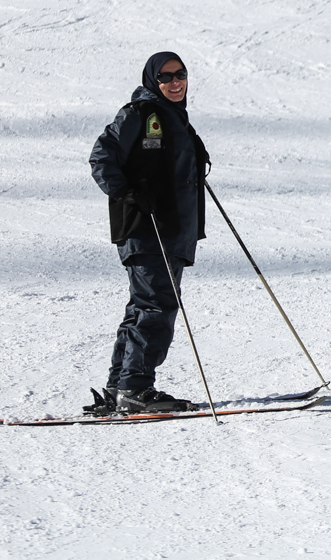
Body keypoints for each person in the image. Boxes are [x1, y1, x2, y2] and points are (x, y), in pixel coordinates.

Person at [88, 52, 211, 415]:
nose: (175, 82)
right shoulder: (139, 114)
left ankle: (120, 384)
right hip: (147, 229)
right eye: (166, 77)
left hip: (172, 231)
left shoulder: (176, 119)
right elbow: (101, 157)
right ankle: (135, 388)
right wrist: (126, 193)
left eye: (181, 74)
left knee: (143, 307)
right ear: (152, 81)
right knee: (156, 306)